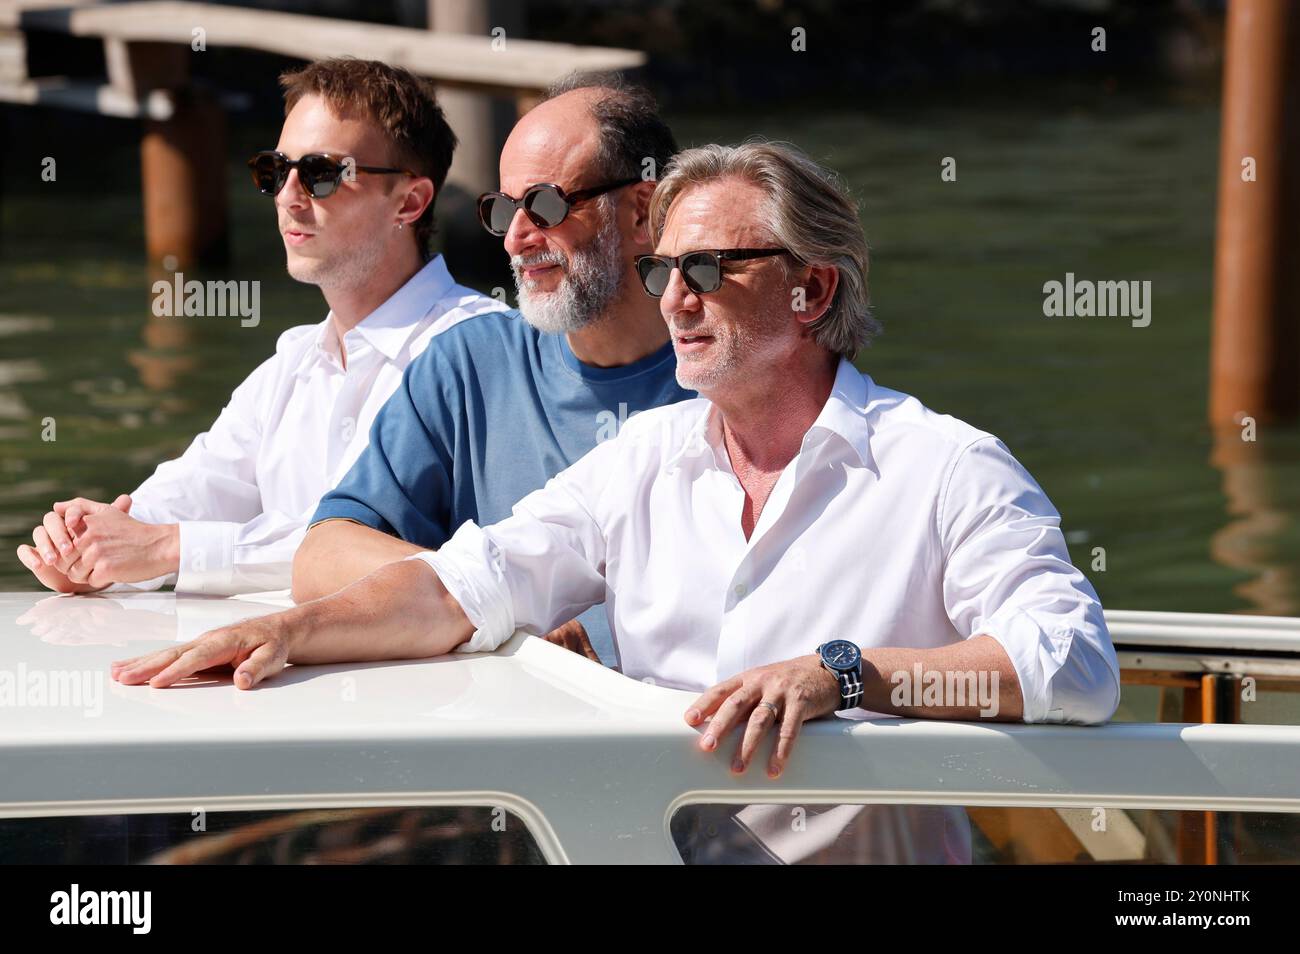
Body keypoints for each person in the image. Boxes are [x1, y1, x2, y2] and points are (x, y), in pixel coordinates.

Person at [113, 141, 1120, 863]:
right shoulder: (641, 460)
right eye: (660, 269)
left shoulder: (945, 466)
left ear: (812, 292)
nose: (673, 298)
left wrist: (844, 678)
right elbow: (473, 583)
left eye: (708, 271)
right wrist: (288, 632)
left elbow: (1071, 667)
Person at [15, 57, 507, 597]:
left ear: (409, 201)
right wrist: (89, 544)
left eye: (321, 174)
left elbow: (392, 551)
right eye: (274, 170)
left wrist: (162, 549)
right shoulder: (291, 363)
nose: (288, 196)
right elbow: (189, 492)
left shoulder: (483, 353)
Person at [293, 73, 691, 666]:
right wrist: (487, 597)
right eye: (503, 211)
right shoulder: (467, 365)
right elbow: (322, 557)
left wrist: (591, 630)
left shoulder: (730, 382)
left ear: (642, 211)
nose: (516, 240)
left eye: (546, 205)